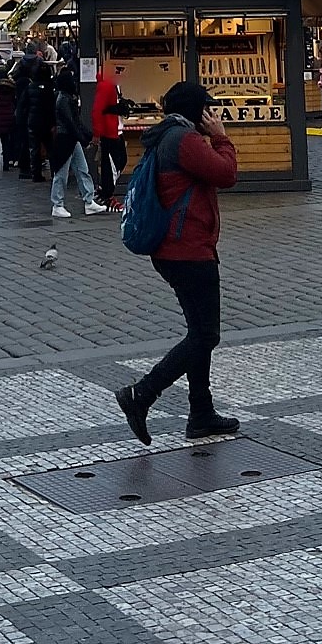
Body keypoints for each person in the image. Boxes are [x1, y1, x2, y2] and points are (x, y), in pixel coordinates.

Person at [114, 81, 239, 444]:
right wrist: (221, 138)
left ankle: (201, 413)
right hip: (188, 251)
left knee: (198, 333)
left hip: (175, 249)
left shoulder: (166, 136)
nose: (212, 115)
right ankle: (142, 394)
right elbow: (226, 174)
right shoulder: (184, 141)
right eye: (207, 109)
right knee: (206, 335)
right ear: (194, 111)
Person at [48, 69, 108, 218]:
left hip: (70, 139)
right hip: (65, 140)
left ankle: (88, 200)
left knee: (82, 170)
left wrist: (86, 136)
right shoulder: (64, 99)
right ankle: (58, 204)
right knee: (62, 173)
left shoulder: (65, 98)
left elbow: (75, 123)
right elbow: (72, 123)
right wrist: (85, 138)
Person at [92, 63, 128, 203]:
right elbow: (98, 110)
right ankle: (107, 195)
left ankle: (106, 191)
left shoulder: (114, 85)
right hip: (110, 131)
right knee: (112, 164)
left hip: (115, 129)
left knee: (118, 161)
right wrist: (97, 133)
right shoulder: (106, 85)